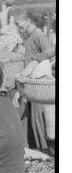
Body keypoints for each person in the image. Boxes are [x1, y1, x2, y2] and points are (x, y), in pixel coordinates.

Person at [14, 10, 56, 154]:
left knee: (41, 118)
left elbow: (48, 56)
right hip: (31, 81)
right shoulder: (28, 36)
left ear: (28, 21)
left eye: (19, 24)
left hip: (40, 83)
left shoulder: (38, 36)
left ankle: (45, 148)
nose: (18, 27)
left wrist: (40, 71)